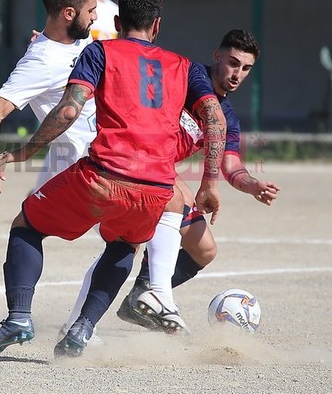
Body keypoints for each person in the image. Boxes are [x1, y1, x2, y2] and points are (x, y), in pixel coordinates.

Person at [0, 0, 226, 359]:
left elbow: (69, 110)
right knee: (124, 244)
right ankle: (82, 328)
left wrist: (25, 151)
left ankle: (19, 319)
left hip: (103, 175)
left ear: (118, 22)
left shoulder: (100, 51)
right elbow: (214, 118)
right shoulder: (185, 66)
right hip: (157, 187)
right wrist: (209, 183)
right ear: (157, 26)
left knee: (27, 225)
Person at [61, 29, 281, 334]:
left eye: (246, 68)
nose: (237, 74)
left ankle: (139, 296)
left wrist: (252, 184)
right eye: (233, 63)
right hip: (124, 161)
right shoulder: (187, 76)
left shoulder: (227, 117)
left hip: (156, 173)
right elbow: (129, 65)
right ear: (217, 56)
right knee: (143, 231)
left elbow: (231, 165)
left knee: (204, 250)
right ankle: (87, 319)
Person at [0, 0, 98, 195]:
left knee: (27, 224)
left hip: (109, 154)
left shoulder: (82, 37)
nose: (95, 17)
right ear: (69, 13)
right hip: (86, 168)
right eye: (91, 10)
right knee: (28, 223)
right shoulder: (41, 61)